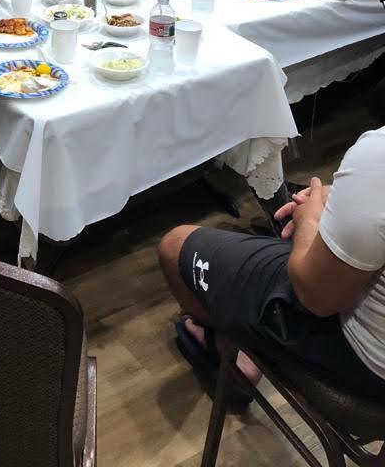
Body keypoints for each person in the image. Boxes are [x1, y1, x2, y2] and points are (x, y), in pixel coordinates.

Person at [158, 127, 385, 402]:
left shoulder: (378, 155)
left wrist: (308, 220)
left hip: (366, 363)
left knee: (175, 245)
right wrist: (346, 198)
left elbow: (319, 298)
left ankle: (229, 353)